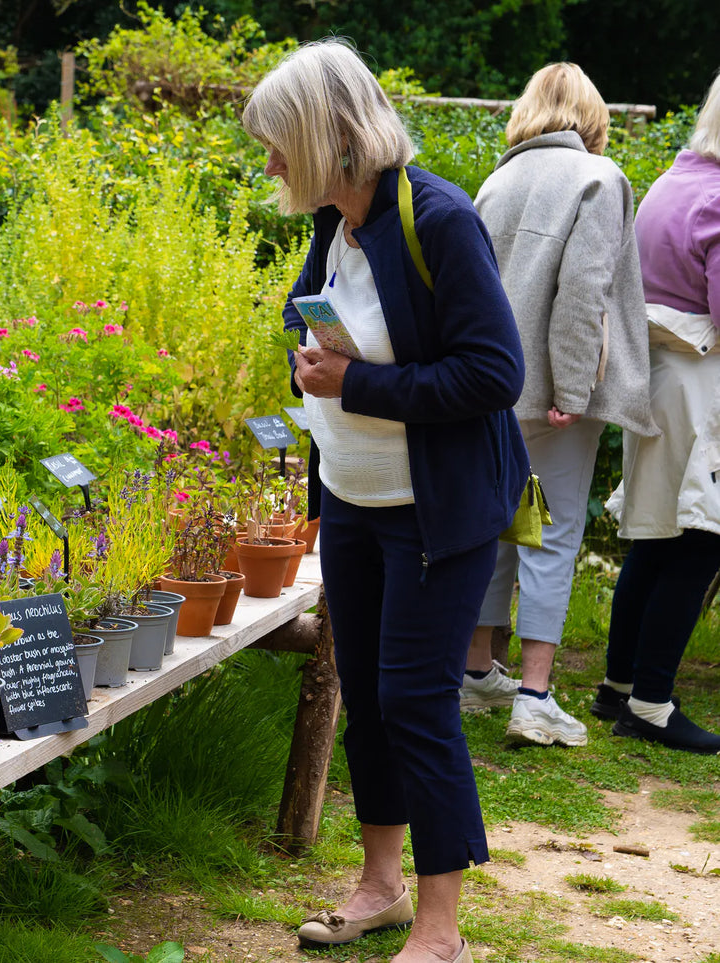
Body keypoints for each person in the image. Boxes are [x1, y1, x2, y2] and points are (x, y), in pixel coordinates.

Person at [244, 39, 527, 963]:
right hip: (354, 500)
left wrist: (352, 384)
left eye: (280, 141)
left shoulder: (436, 219)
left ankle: (441, 926)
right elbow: (316, 324)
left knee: (415, 701)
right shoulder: (336, 219)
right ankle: (378, 885)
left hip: (433, 509)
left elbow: (492, 374)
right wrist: (309, 363)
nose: (270, 161)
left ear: (330, 135)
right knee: (367, 699)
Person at [462, 64, 656, 747]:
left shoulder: (495, 181)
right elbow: (582, 293)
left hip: (491, 392)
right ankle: (535, 697)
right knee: (550, 534)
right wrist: (574, 389)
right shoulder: (596, 180)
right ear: (591, 116)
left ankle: (478, 670)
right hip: (552, 399)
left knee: (501, 528)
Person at [598, 68, 720, 754]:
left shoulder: (678, 178)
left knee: (654, 537)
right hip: (697, 381)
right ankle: (650, 703)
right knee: (700, 538)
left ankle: (618, 685)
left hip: (657, 374)